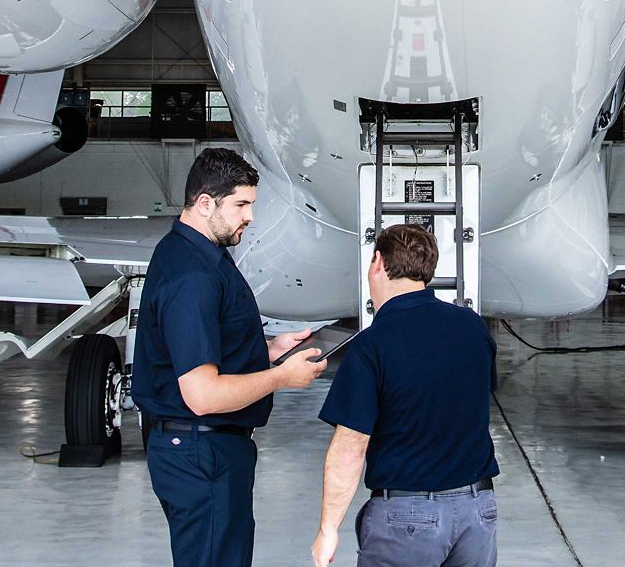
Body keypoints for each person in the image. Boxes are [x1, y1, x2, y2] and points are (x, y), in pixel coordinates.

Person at [133, 147, 328, 567]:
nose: (250, 217)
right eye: (241, 204)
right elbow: (202, 395)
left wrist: (267, 351)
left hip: (205, 449)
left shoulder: (196, 255)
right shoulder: (194, 277)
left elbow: (199, 342)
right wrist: (281, 377)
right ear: (205, 204)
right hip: (202, 452)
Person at [310, 224, 500, 567]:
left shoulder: (372, 345)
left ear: (378, 263)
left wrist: (328, 529)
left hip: (407, 519)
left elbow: (351, 447)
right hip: (478, 511)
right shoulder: (473, 327)